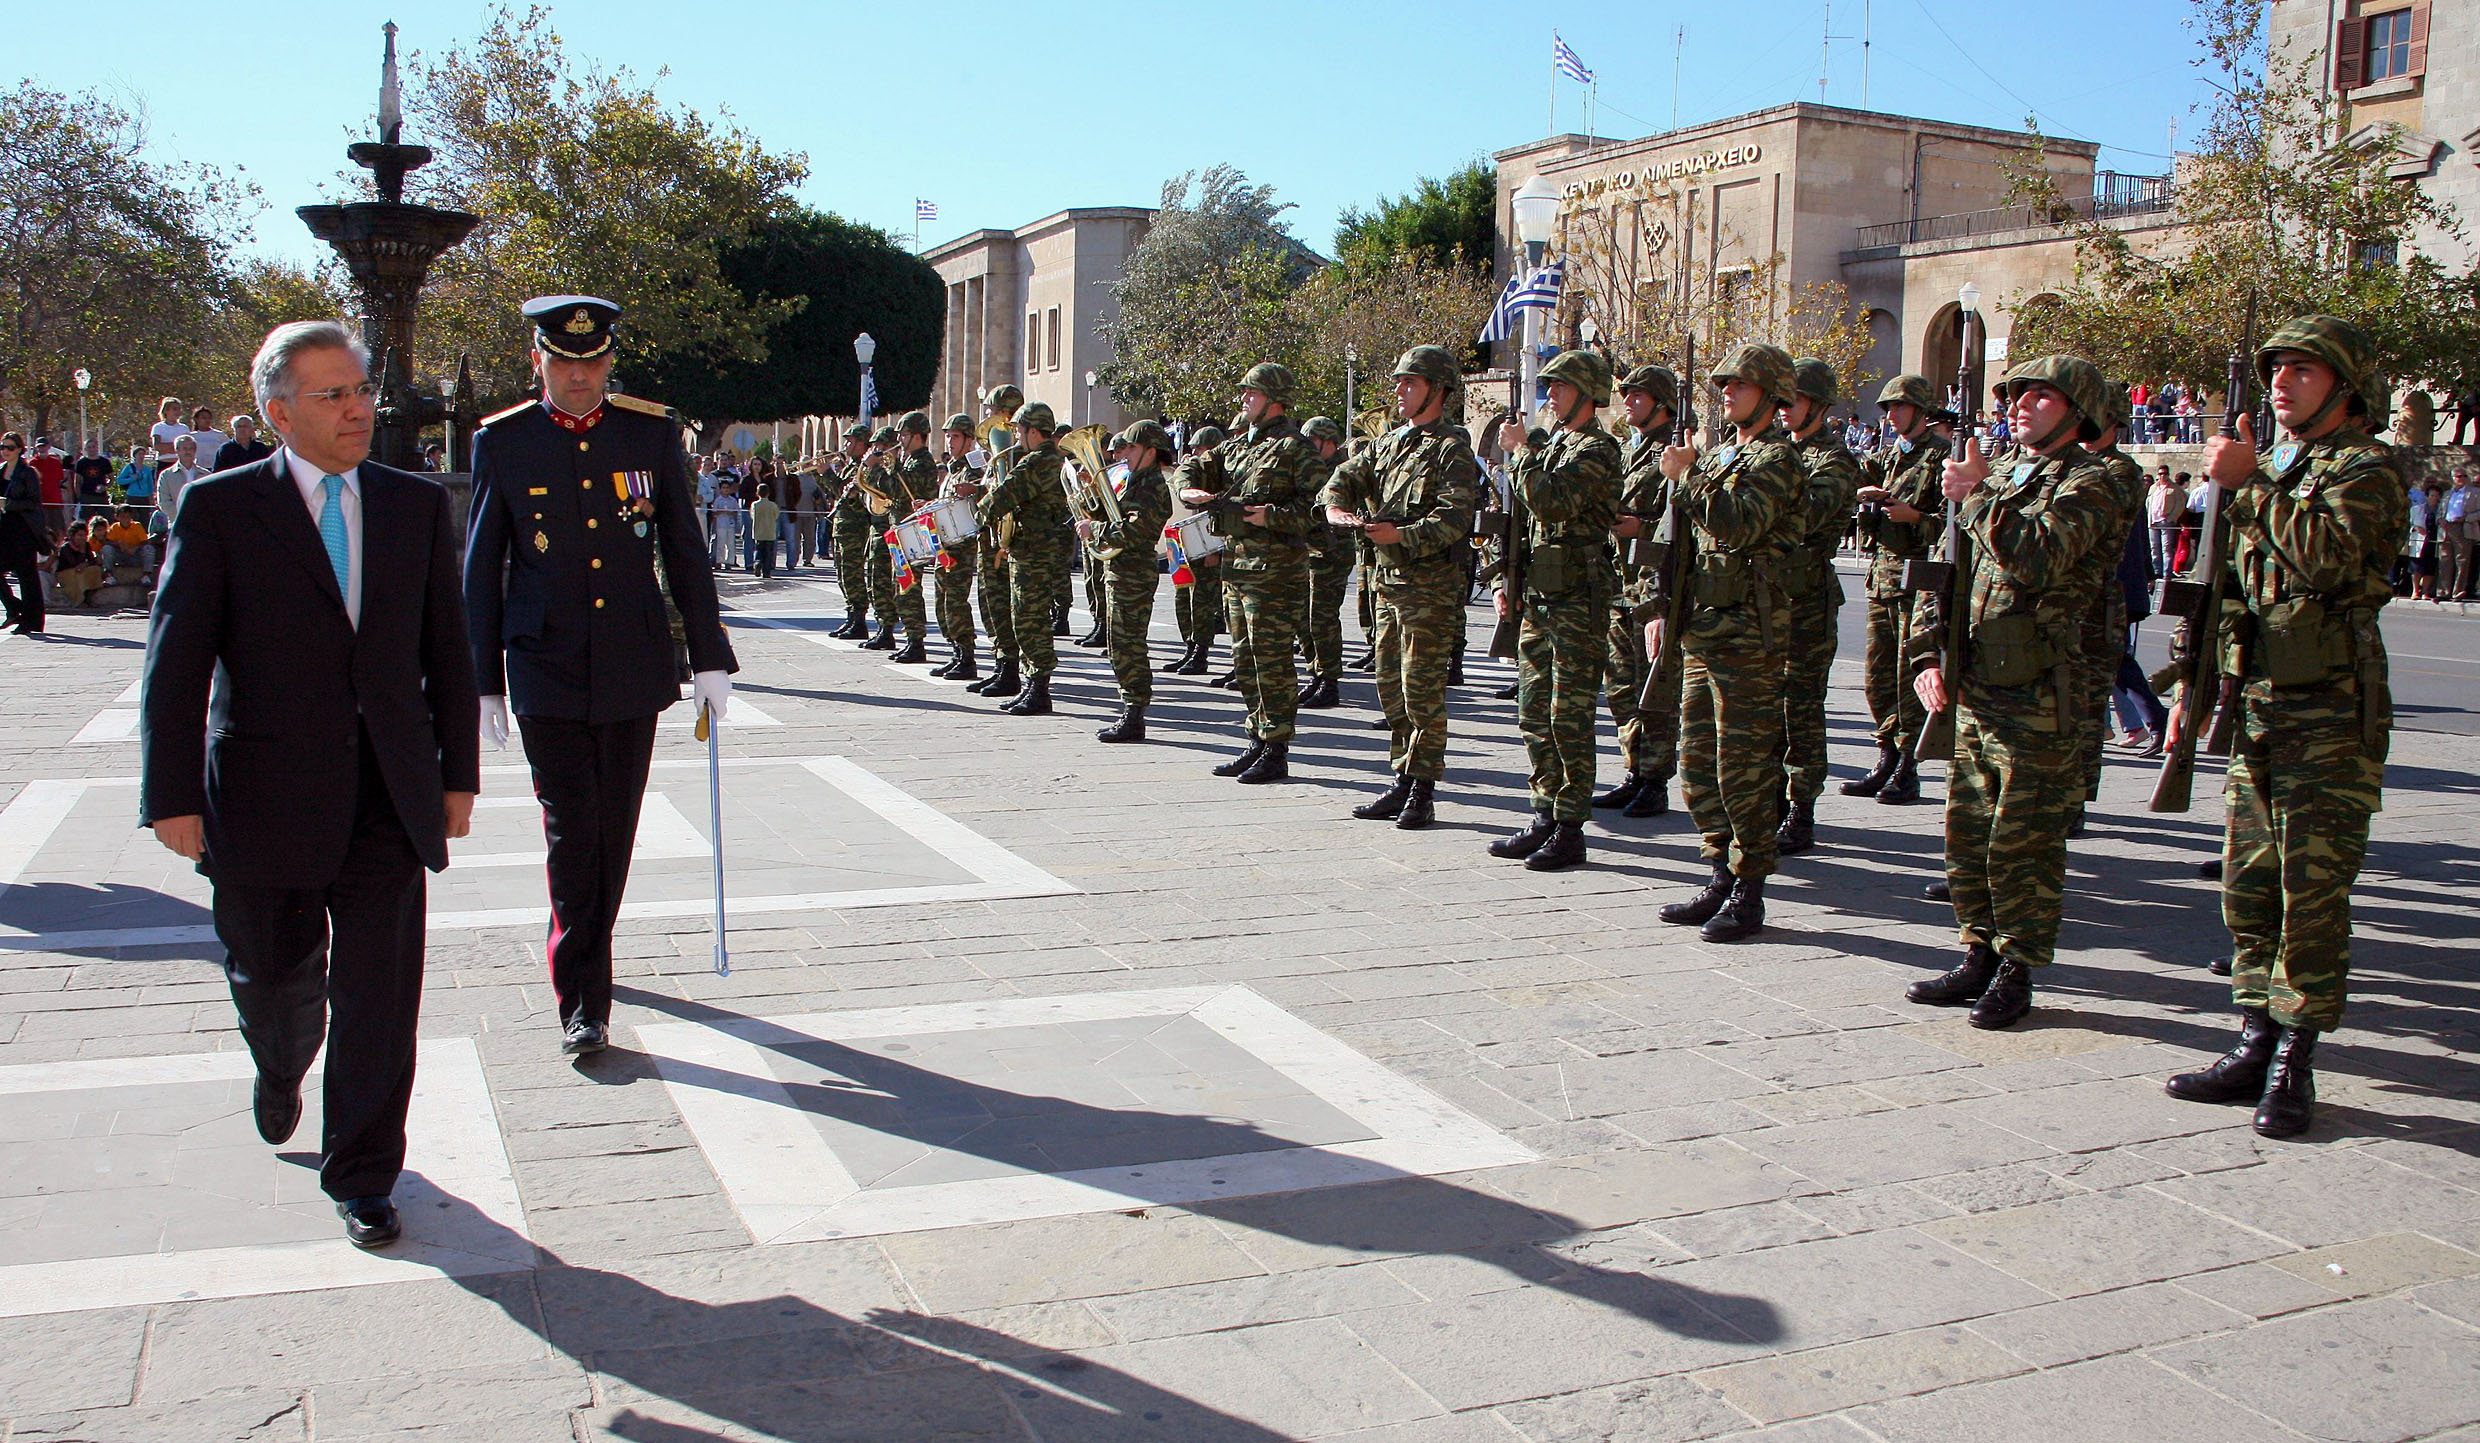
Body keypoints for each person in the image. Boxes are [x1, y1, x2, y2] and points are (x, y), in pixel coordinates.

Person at [139, 319, 480, 1248]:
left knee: (379, 996)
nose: (359, 407)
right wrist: (169, 793)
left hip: (388, 793)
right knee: (275, 976)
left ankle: (364, 1172)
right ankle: (281, 1059)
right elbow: (176, 661)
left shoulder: (411, 505)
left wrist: (458, 775)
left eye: (361, 388)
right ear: (279, 411)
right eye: (332, 395)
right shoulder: (218, 509)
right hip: (260, 793)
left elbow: (446, 653)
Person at [464, 294, 736, 1056]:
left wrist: (710, 655)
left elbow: (683, 547)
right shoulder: (505, 442)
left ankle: (585, 939)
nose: (578, 377)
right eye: (562, 362)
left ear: (610, 360)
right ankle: (584, 995)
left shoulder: (647, 433)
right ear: (537, 362)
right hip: (543, 661)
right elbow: (483, 566)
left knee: (613, 829)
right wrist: (482, 678)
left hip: (630, 659)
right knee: (571, 828)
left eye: (591, 362)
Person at [2163, 315, 2405, 1138]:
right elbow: (2227, 586)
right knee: (2249, 887)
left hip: (2329, 714)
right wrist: (2194, 691)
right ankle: (2253, 1036)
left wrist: (2252, 484)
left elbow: (2331, 559)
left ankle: (2297, 1057)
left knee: (2312, 894)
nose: (2281, 381)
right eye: (2277, 368)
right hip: (2258, 704)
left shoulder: (2367, 467)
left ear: (2342, 384)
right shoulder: (2280, 465)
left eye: (2302, 369)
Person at [1901, 355, 2119, 1029]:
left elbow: (2037, 555)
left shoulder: (2092, 482)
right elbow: (1946, 572)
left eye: (2042, 394)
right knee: (1967, 834)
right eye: (2017, 392)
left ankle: (2017, 965)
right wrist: (1928, 653)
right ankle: (1976, 950)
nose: (2022, 403)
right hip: (1977, 686)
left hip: (2041, 691)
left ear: (2077, 409)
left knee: (2021, 844)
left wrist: (1977, 495)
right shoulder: (1991, 475)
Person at [1650, 345, 1804, 934]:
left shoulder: (1779, 461)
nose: (1729, 392)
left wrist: (1687, 475)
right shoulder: (1717, 456)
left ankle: (1750, 885)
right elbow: (1679, 544)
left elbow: (1737, 526)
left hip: (1749, 634)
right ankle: (1719, 869)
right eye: (1726, 384)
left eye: (1740, 384)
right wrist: (1659, 606)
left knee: (1745, 766)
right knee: (1698, 763)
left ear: (1770, 394)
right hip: (1703, 629)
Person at [1321, 346, 1480, 827]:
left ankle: (1423, 789)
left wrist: (1401, 535)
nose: (1399, 391)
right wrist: (1335, 507)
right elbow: (1344, 477)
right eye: (1399, 382)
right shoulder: (1390, 443)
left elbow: (1455, 519)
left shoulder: (1452, 450)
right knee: (1389, 684)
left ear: (1438, 389)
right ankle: (1403, 777)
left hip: (1428, 587)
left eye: (1410, 383)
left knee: (1422, 689)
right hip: (1386, 582)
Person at [1488, 349, 1622, 870]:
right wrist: (1507, 578)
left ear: (1587, 394)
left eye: (1560, 388)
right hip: (1541, 597)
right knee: (1533, 711)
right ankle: (1543, 811)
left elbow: (1550, 502)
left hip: (1576, 600)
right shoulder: (1555, 445)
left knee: (1569, 716)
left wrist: (1520, 453)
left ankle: (1570, 825)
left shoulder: (1599, 451)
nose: (1550, 397)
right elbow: (1520, 520)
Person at [1177, 364, 1315, 782]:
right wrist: (1188, 489)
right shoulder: (1241, 447)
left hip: (1275, 572)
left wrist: (1269, 516)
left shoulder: (1297, 450)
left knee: (1270, 659)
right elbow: (1194, 465)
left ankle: (1276, 747)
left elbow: (1318, 510)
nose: (1244, 400)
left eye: (1251, 394)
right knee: (1244, 658)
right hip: (1237, 568)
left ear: (1275, 400)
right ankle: (1256, 738)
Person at [1846, 375, 1953, 806]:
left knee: (1908, 676)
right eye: (1887, 409)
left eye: (1900, 408)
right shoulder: (1887, 457)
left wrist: (1916, 519)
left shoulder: (1943, 457)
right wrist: (1866, 502)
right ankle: (1886, 753)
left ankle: (1909, 766)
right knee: (1877, 678)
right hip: (1884, 577)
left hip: (1918, 584)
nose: (1891, 416)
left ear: (1922, 411)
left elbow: (1953, 526)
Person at [1772, 358, 1864, 854]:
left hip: (1806, 598)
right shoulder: (1776, 451)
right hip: (1767, 596)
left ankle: (1800, 806)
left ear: (1820, 405)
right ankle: (1769, 799)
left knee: (1800, 708)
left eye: (1794, 400)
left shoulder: (1835, 462)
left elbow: (1801, 517)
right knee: (1766, 706)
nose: (1784, 409)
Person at [1596, 364, 1684, 819]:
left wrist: (1640, 526)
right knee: (1621, 685)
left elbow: (1683, 523)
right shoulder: (1628, 451)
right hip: (1620, 583)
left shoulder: (1672, 452)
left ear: (1662, 403)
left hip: (1655, 587)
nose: (1627, 401)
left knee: (1655, 690)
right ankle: (1634, 769)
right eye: (1626, 394)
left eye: (1638, 395)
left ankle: (1655, 779)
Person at [2070, 385, 2150, 826]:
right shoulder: (2068, 463)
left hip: (2096, 606)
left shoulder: (2119, 471)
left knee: (2085, 709)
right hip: (2064, 608)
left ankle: (2075, 799)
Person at [977, 400, 1073, 714]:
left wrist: (978, 514)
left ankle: (1040, 689)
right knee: (1024, 618)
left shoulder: (1039, 462)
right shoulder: (1046, 460)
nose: (1017, 435)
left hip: (1035, 551)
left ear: (1033, 431)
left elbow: (1006, 494)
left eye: (1020, 429)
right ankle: (1032, 684)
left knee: (1030, 620)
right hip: (1031, 549)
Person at [1090, 419, 1177, 742]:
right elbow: (1114, 517)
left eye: (1132, 448)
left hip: (1134, 574)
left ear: (1151, 452)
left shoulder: (1152, 487)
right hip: (1120, 571)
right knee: (1119, 644)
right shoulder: (1133, 481)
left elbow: (1133, 531)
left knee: (1129, 646)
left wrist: (1095, 531)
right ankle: (1130, 708)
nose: (1123, 453)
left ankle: (1134, 712)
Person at [965, 386, 1025, 695]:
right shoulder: (995, 454)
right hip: (990, 541)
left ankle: (1011, 670)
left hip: (1009, 542)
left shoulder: (1022, 454)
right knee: (991, 606)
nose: (986, 419)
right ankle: (1001, 664)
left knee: (1005, 606)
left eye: (991, 412)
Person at [1294, 416, 1355, 708]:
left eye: (1313, 442)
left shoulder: (1343, 473)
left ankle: (1330, 682)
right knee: (1304, 618)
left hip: (1332, 553)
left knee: (1322, 619)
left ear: (1328, 442)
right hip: (1309, 551)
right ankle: (1316, 674)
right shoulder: (1312, 470)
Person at [877, 413, 937, 663]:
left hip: (912, 531)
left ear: (917, 436)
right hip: (900, 530)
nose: (899, 439)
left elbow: (900, 487)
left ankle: (916, 640)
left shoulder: (921, 462)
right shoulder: (910, 460)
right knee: (901, 585)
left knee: (909, 586)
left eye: (904, 435)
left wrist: (889, 466)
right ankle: (910, 638)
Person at [1168, 424, 1227, 677]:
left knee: (1201, 602)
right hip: (1183, 543)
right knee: (1183, 597)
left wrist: (1215, 549)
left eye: (1199, 447)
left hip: (1207, 546)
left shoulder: (1219, 476)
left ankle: (1200, 652)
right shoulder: (1192, 472)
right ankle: (1189, 647)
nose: (1194, 452)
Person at [931, 414, 985, 681]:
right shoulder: (951, 469)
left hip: (962, 546)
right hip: (946, 543)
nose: (950, 441)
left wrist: (975, 489)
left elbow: (987, 491)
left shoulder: (974, 467)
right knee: (942, 601)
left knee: (955, 601)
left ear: (969, 440)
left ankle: (967, 656)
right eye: (948, 436)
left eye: (955, 437)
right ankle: (955, 652)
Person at [826, 426, 877, 639]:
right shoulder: (851, 467)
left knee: (853, 576)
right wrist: (825, 475)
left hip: (855, 530)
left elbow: (854, 499)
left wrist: (825, 473)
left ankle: (859, 620)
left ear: (861, 444)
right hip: (842, 529)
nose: (846, 445)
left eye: (851, 441)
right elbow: (838, 491)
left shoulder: (863, 470)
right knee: (843, 575)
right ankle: (851, 616)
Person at [0, 433, 47, 635]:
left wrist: (9, 504)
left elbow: (34, 502)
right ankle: (14, 608)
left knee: (27, 576)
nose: (5, 451)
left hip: (24, 529)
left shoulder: (27, 473)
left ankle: (32, 620)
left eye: (9, 447)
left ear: (19, 449)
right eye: (2, 447)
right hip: (4, 529)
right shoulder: (0, 470)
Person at [2442, 470, 2480, 601]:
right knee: (2445, 559)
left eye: (2464, 476)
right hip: (2446, 527)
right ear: (2453, 478)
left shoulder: (2475, 493)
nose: (2462, 478)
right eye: (2459, 476)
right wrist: (2439, 520)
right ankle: (2444, 591)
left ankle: (2458, 591)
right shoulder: (2447, 494)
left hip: (2463, 527)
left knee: (2462, 560)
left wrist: (2466, 518)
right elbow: (2440, 511)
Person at [157, 433, 209, 526]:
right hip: (177, 524)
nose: (187, 452)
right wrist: (183, 516)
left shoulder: (206, 475)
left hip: (202, 524)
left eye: (191, 449)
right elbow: (163, 502)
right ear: (177, 451)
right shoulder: (166, 475)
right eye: (184, 448)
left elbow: (211, 500)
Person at [50, 523, 103, 608]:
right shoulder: (65, 548)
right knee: (75, 574)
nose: (82, 538)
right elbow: (74, 564)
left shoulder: (86, 545)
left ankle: (88, 598)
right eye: (80, 535)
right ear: (73, 535)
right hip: (66, 574)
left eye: (84, 535)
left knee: (96, 570)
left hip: (80, 571)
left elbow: (92, 561)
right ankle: (78, 601)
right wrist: (82, 552)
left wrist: (86, 563)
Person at [2146, 464, 2183, 580]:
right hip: (2153, 522)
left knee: (2166, 548)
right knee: (2154, 548)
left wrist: (2172, 517)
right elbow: (2148, 503)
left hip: (2166, 521)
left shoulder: (2174, 488)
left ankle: (2167, 573)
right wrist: (2150, 517)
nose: (2163, 476)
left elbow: (2180, 504)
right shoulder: (2153, 488)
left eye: (2165, 474)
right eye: (2160, 473)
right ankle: (2157, 571)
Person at [748, 481, 781, 579]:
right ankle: (766, 571)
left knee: (758, 550)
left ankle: (757, 562)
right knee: (768, 553)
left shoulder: (755, 505)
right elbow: (776, 516)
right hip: (770, 532)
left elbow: (752, 516)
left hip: (758, 532)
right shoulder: (773, 505)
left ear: (757, 493)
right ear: (768, 493)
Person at [185, 405, 229, 469]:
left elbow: (227, 450)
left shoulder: (219, 435)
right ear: (196, 419)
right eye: (204, 418)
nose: (207, 420)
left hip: (216, 468)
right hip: (198, 469)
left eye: (209, 418)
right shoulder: (191, 437)